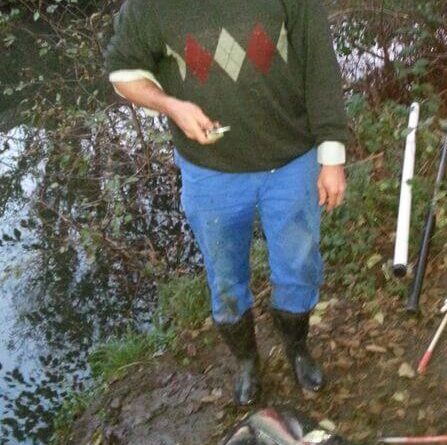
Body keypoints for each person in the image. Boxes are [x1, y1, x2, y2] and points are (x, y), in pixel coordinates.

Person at [104, 0, 349, 406]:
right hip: (210, 173)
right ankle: (248, 363)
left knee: (299, 266)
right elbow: (123, 73)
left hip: (291, 160)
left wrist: (332, 156)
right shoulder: (149, 8)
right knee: (225, 279)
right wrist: (172, 106)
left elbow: (321, 65)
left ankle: (297, 349)